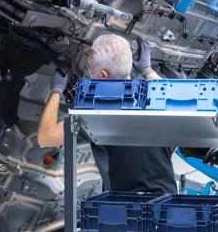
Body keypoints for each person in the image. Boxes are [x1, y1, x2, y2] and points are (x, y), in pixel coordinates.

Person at [36, 34, 177, 193]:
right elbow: (177, 97)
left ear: (103, 75)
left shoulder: (98, 113)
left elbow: (45, 137)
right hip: (168, 204)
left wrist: (56, 90)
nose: (85, 74)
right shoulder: (154, 98)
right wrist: (148, 71)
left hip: (127, 209)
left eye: (88, 69)